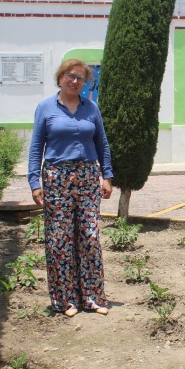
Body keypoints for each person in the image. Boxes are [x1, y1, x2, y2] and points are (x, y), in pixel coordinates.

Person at [28, 58, 114, 316]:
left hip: (87, 176)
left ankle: (92, 297)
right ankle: (65, 300)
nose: (75, 81)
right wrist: (34, 182)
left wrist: (107, 176)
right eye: (71, 76)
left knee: (90, 236)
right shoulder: (45, 107)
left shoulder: (91, 108)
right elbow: (36, 147)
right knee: (60, 238)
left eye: (80, 78)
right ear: (60, 77)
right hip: (57, 177)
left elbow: (102, 144)